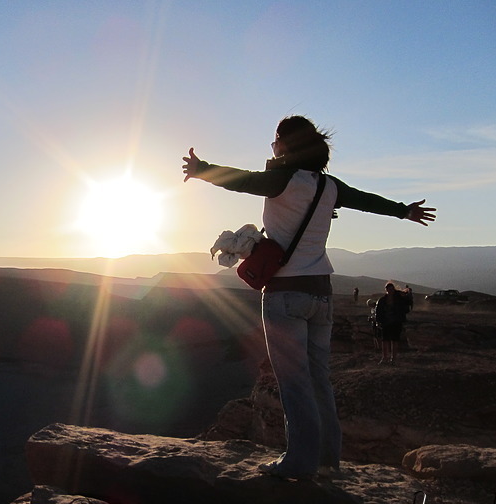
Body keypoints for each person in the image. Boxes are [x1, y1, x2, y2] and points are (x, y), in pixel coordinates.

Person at [182, 115, 436, 481]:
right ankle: (328, 461)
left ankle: (298, 463)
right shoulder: (329, 186)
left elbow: (241, 180)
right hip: (323, 294)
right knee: (319, 381)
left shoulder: (283, 180)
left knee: (294, 382)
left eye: (275, 142)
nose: (273, 148)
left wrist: (201, 168)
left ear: (285, 145)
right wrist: (403, 210)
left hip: (286, 293)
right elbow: (365, 200)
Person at [375, 282, 411, 364]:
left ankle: (393, 358)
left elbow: (408, 303)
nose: (390, 291)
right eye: (388, 289)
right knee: (385, 340)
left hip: (396, 321)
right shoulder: (382, 300)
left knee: (394, 340)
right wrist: (378, 321)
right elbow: (378, 311)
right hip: (386, 322)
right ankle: (385, 357)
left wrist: (405, 294)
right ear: (386, 290)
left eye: (391, 289)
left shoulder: (399, 299)